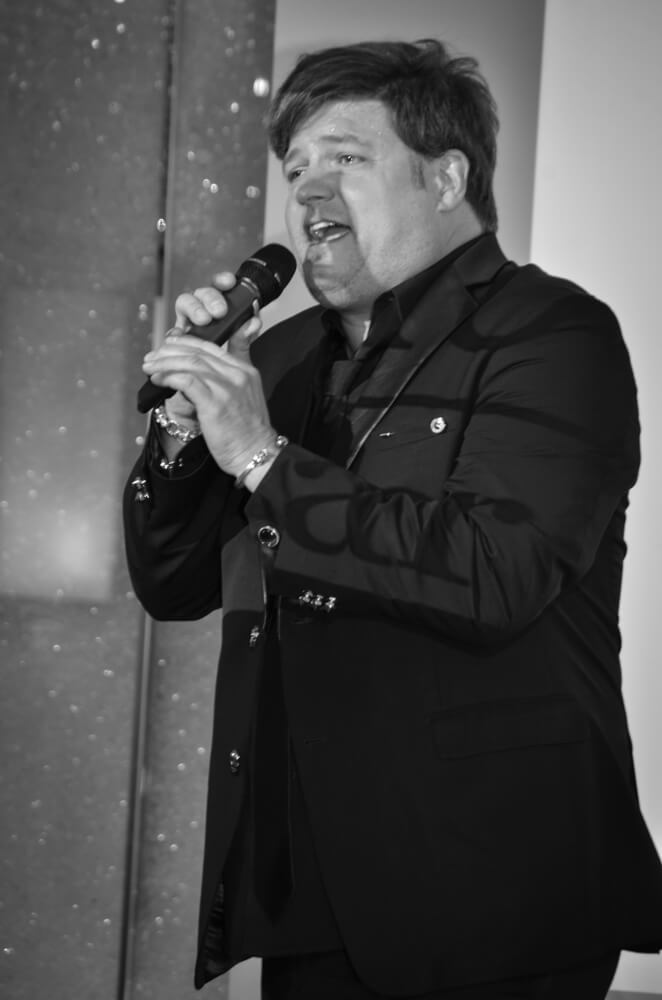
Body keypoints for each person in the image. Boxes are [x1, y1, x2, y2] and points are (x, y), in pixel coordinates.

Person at [124, 39, 662, 999]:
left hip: (491, 887)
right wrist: (184, 434)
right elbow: (176, 584)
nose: (308, 190)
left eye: (346, 156)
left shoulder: (552, 333)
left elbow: (495, 572)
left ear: (446, 177)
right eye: (296, 168)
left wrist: (262, 456)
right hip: (307, 884)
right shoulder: (281, 357)